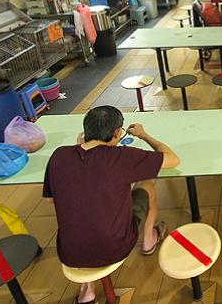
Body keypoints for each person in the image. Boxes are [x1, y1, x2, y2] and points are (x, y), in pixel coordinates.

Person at [43, 106, 180, 304]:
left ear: (85, 132)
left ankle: (86, 291)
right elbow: (173, 159)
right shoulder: (121, 157)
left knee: (82, 216)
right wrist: (143, 135)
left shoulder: (59, 156)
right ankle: (150, 239)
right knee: (146, 185)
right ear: (117, 133)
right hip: (115, 247)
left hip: (69, 252)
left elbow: (50, 199)